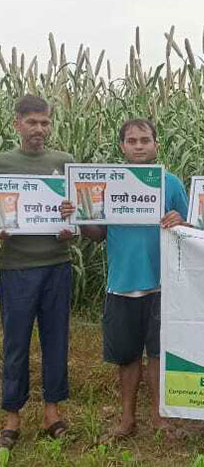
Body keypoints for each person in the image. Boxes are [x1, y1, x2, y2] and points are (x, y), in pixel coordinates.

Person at [60, 119, 187, 438]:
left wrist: (181, 220)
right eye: (132, 141)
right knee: (127, 357)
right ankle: (127, 420)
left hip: (162, 284)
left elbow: (191, 228)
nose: (139, 146)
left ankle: (159, 418)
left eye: (145, 140)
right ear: (122, 146)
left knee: (157, 354)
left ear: (156, 144)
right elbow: (98, 234)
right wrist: (80, 216)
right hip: (121, 284)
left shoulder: (171, 184)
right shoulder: (109, 184)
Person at [0, 95, 74, 448]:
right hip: (16, 267)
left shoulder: (64, 162)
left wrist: (71, 224)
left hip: (57, 263)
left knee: (56, 340)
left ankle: (52, 412)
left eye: (45, 122)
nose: (39, 129)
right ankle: (12, 415)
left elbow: (77, 213)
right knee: (16, 343)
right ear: (17, 124)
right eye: (32, 122)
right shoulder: (4, 163)